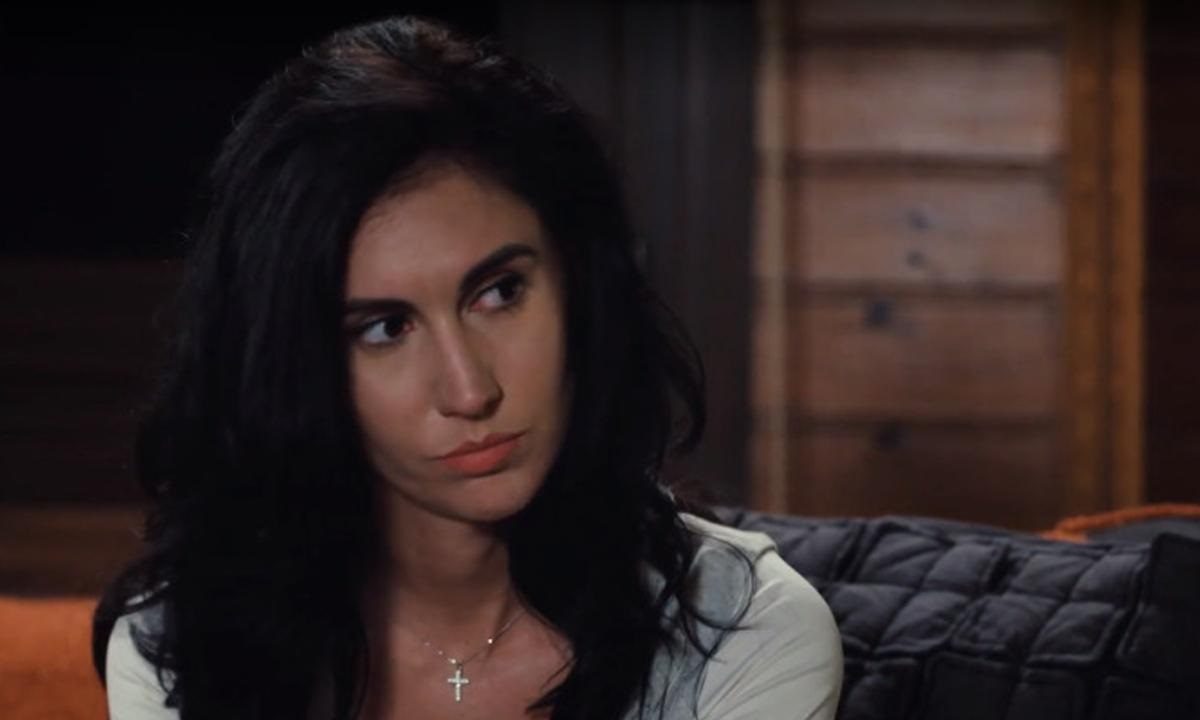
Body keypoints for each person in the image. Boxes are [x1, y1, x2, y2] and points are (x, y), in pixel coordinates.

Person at [93, 15, 842, 720]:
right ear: (294, 362)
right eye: (385, 328)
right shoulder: (182, 644)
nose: (470, 390)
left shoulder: (748, 637)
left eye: (499, 293)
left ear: (579, 286)